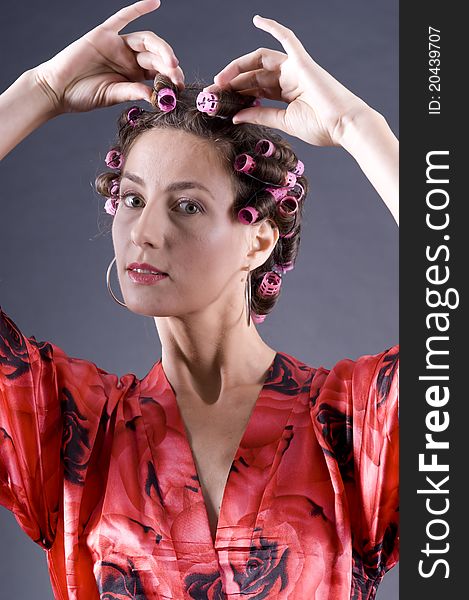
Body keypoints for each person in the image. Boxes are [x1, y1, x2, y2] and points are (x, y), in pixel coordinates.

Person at [0, 0, 399, 598]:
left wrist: (358, 128)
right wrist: (41, 88)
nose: (145, 232)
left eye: (187, 205)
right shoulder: (73, 427)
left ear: (258, 239)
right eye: (132, 199)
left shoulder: (351, 422)